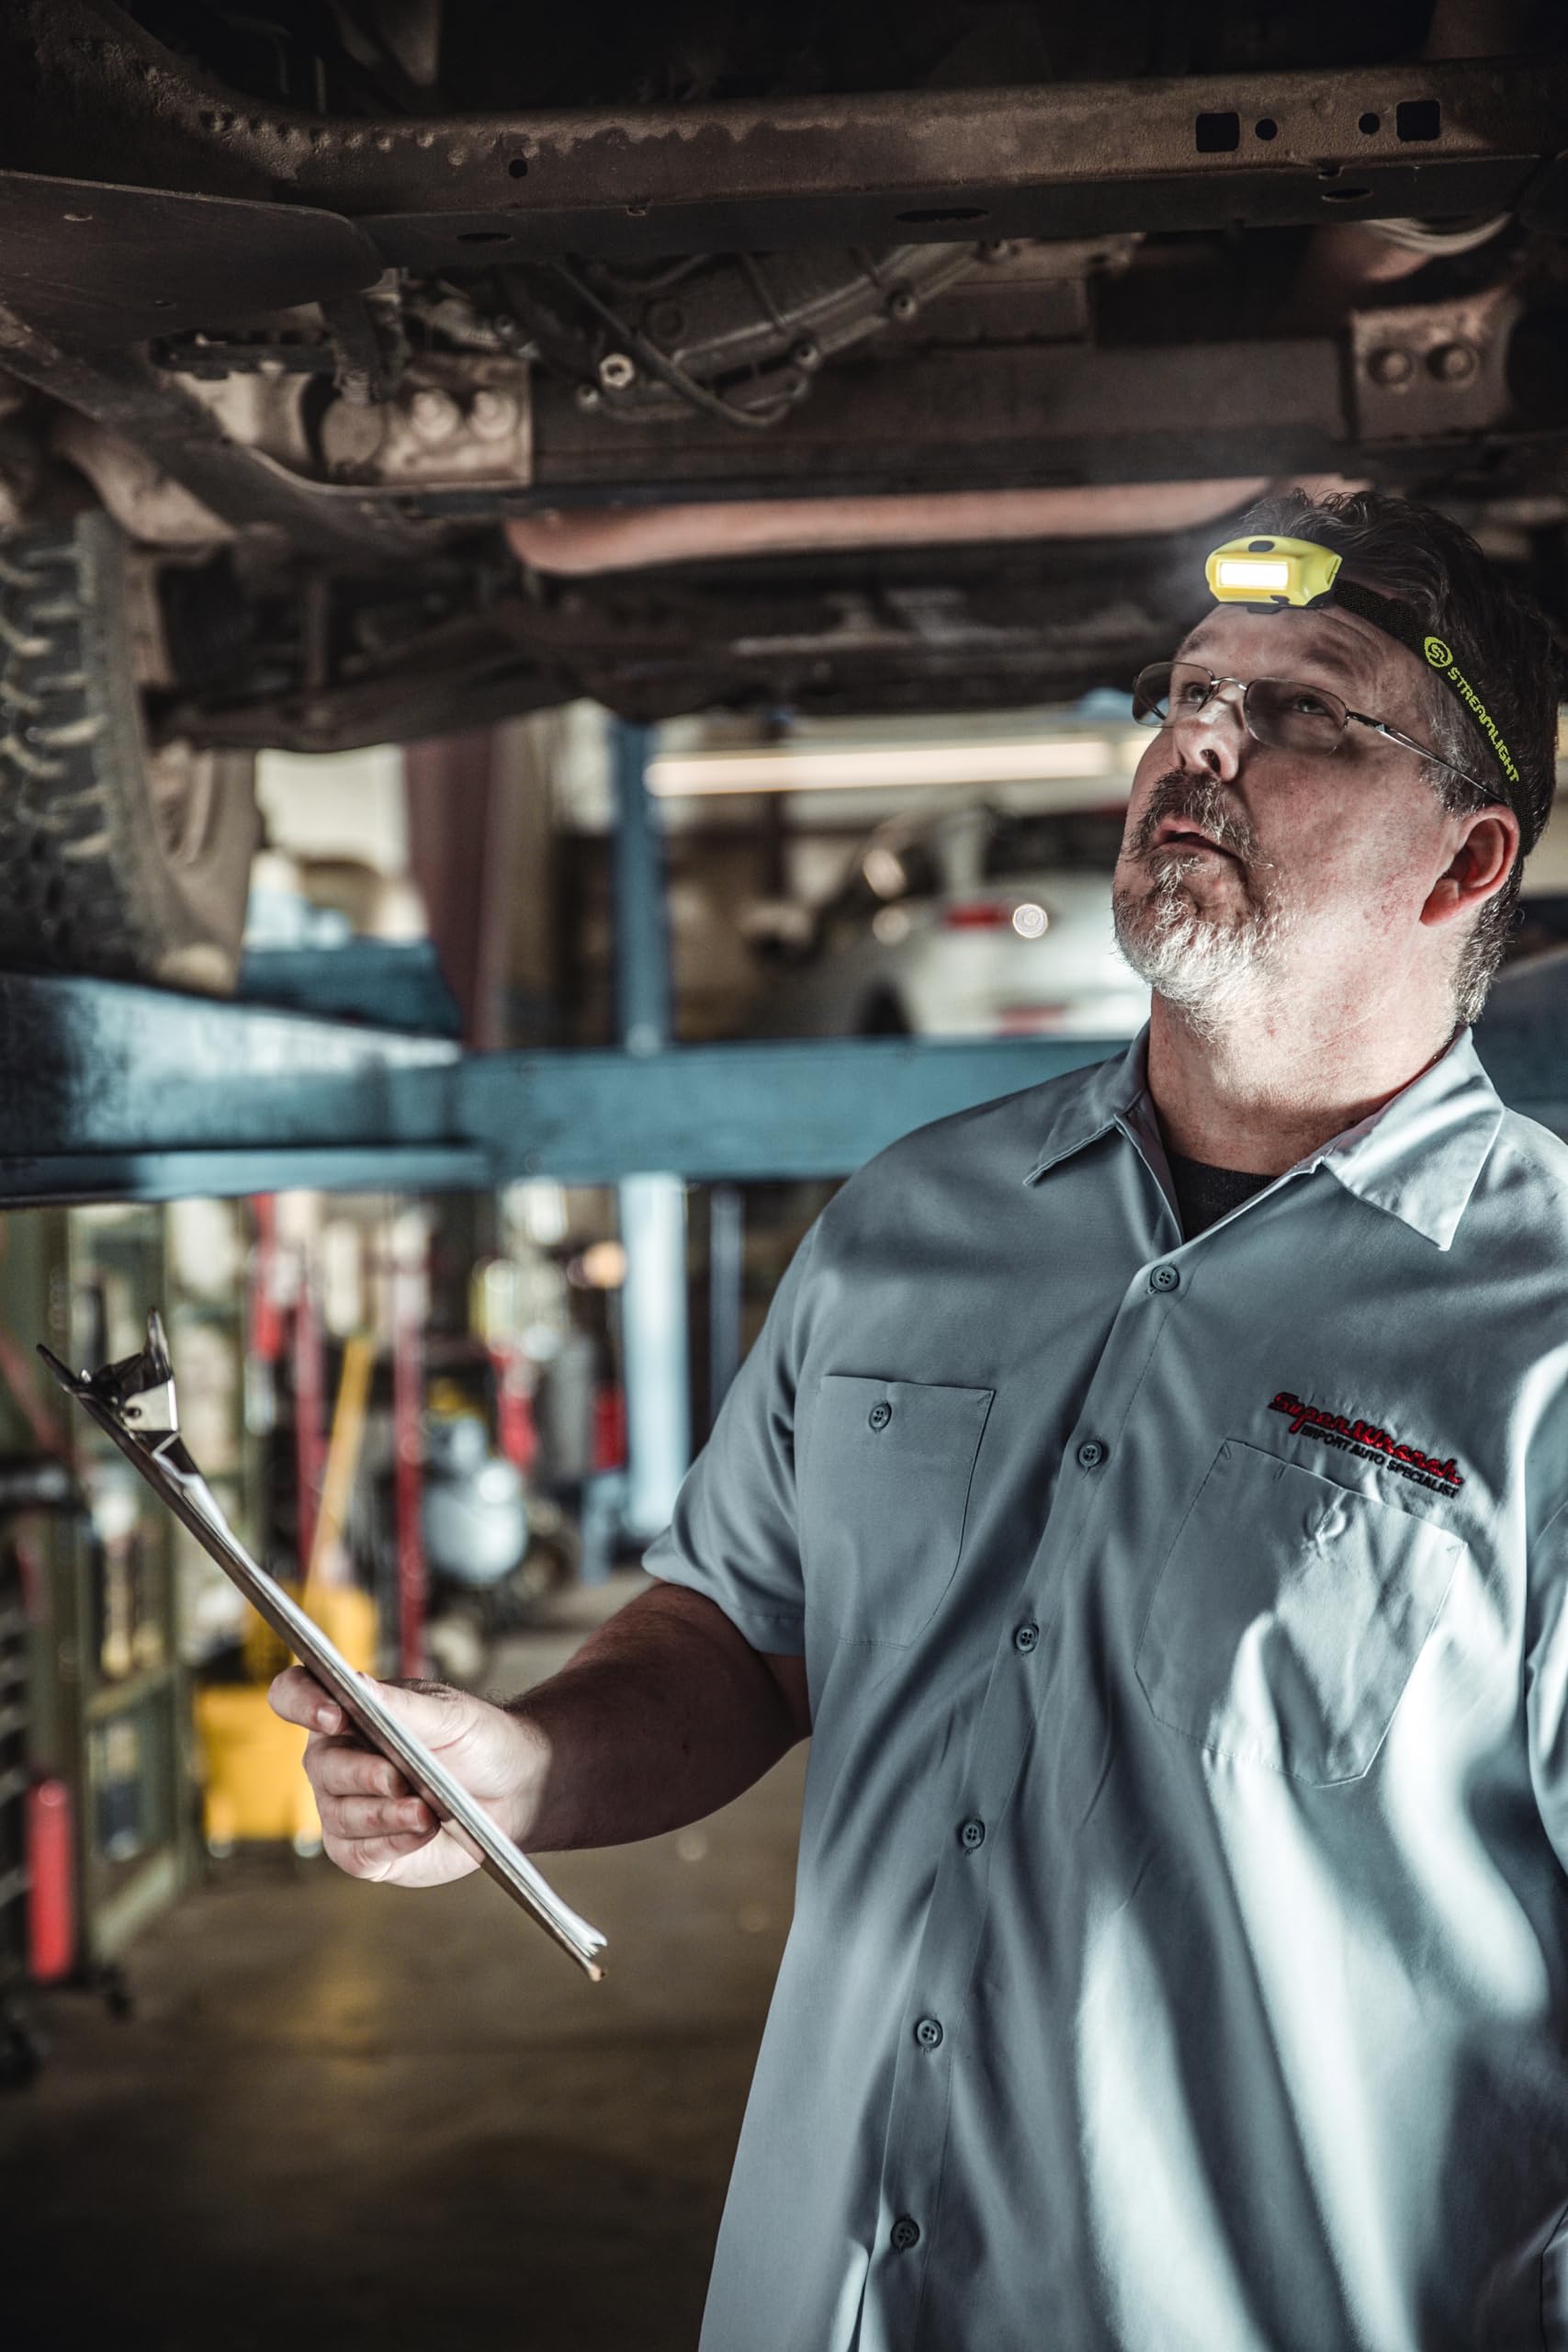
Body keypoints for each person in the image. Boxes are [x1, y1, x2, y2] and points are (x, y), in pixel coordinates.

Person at [271, 487, 1568, 2351]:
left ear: (1460, 864)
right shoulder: (909, 1224)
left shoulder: (1532, 1328)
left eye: (1300, 713)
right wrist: (518, 1762)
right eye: (1185, 693)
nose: (1195, 741)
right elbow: (738, 1633)